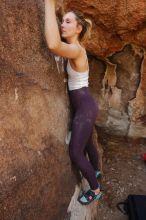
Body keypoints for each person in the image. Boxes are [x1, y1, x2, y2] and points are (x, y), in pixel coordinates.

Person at [44, 0, 102, 205]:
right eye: (62, 21)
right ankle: (96, 171)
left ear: (78, 28)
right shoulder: (76, 48)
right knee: (88, 143)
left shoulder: (76, 50)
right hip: (85, 105)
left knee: (76, 153)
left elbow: (52, 44)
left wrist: (49, 4)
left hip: (85, 106)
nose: (62, 24)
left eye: (68, 22)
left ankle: (95, 189)